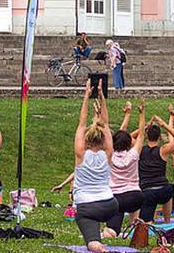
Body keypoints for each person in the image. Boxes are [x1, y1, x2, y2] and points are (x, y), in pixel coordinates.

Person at [72, 80, 117, 253]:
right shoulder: (108, 153)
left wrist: (86, 95)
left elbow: (82, 123)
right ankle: (106, 238)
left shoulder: (81, 154)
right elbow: (105, 125)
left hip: (87, 206)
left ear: (87, 140)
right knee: (98, 233)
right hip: (110, 204)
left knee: (91, 243)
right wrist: (101, 96)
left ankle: (99, 247)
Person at [102, 100, 145, 238]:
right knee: (134, 203)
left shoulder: (109, 156)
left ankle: (112, 231)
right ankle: (133, 226)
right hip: (135, 196)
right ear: (128, 143)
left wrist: (127, 115)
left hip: (115, 198)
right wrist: (141, 113)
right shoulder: (133, 154)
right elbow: (142, 134)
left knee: (111, 231)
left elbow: (111, 136)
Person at [138, 112, 174, 222]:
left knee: (146, 223)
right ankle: (167, 221)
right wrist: (163, 124)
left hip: (147, 191)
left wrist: (143, 129)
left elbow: (128, 138)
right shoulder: (163, 150)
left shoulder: (138, 150)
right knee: (168, 189)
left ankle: (153, 220)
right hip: (163, 190)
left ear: (146, 136)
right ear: (159, 137)